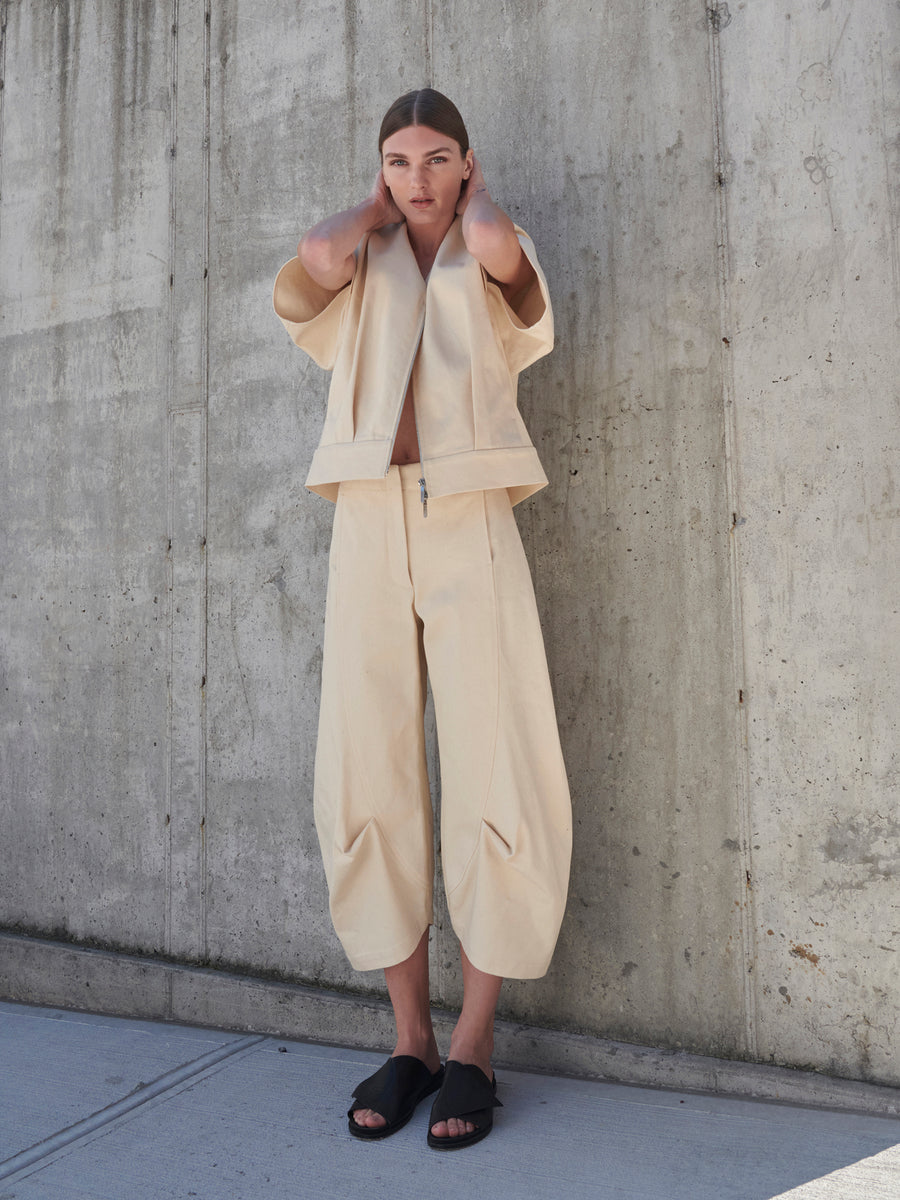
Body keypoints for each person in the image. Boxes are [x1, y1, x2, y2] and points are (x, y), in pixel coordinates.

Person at [273, 88, 571, 1150]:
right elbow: (310, 257)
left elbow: (499, 255)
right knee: (368, 766)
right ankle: (410, 1040)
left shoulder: (495, 243)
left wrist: (474, 202)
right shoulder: (361, 257)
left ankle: (478, 1042)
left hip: (472, 518)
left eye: (437, 157)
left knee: (498, 761)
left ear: (467, 161)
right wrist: (374, 210)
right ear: (381, 170)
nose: (419, 176)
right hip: (365, 515)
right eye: (400, 160)